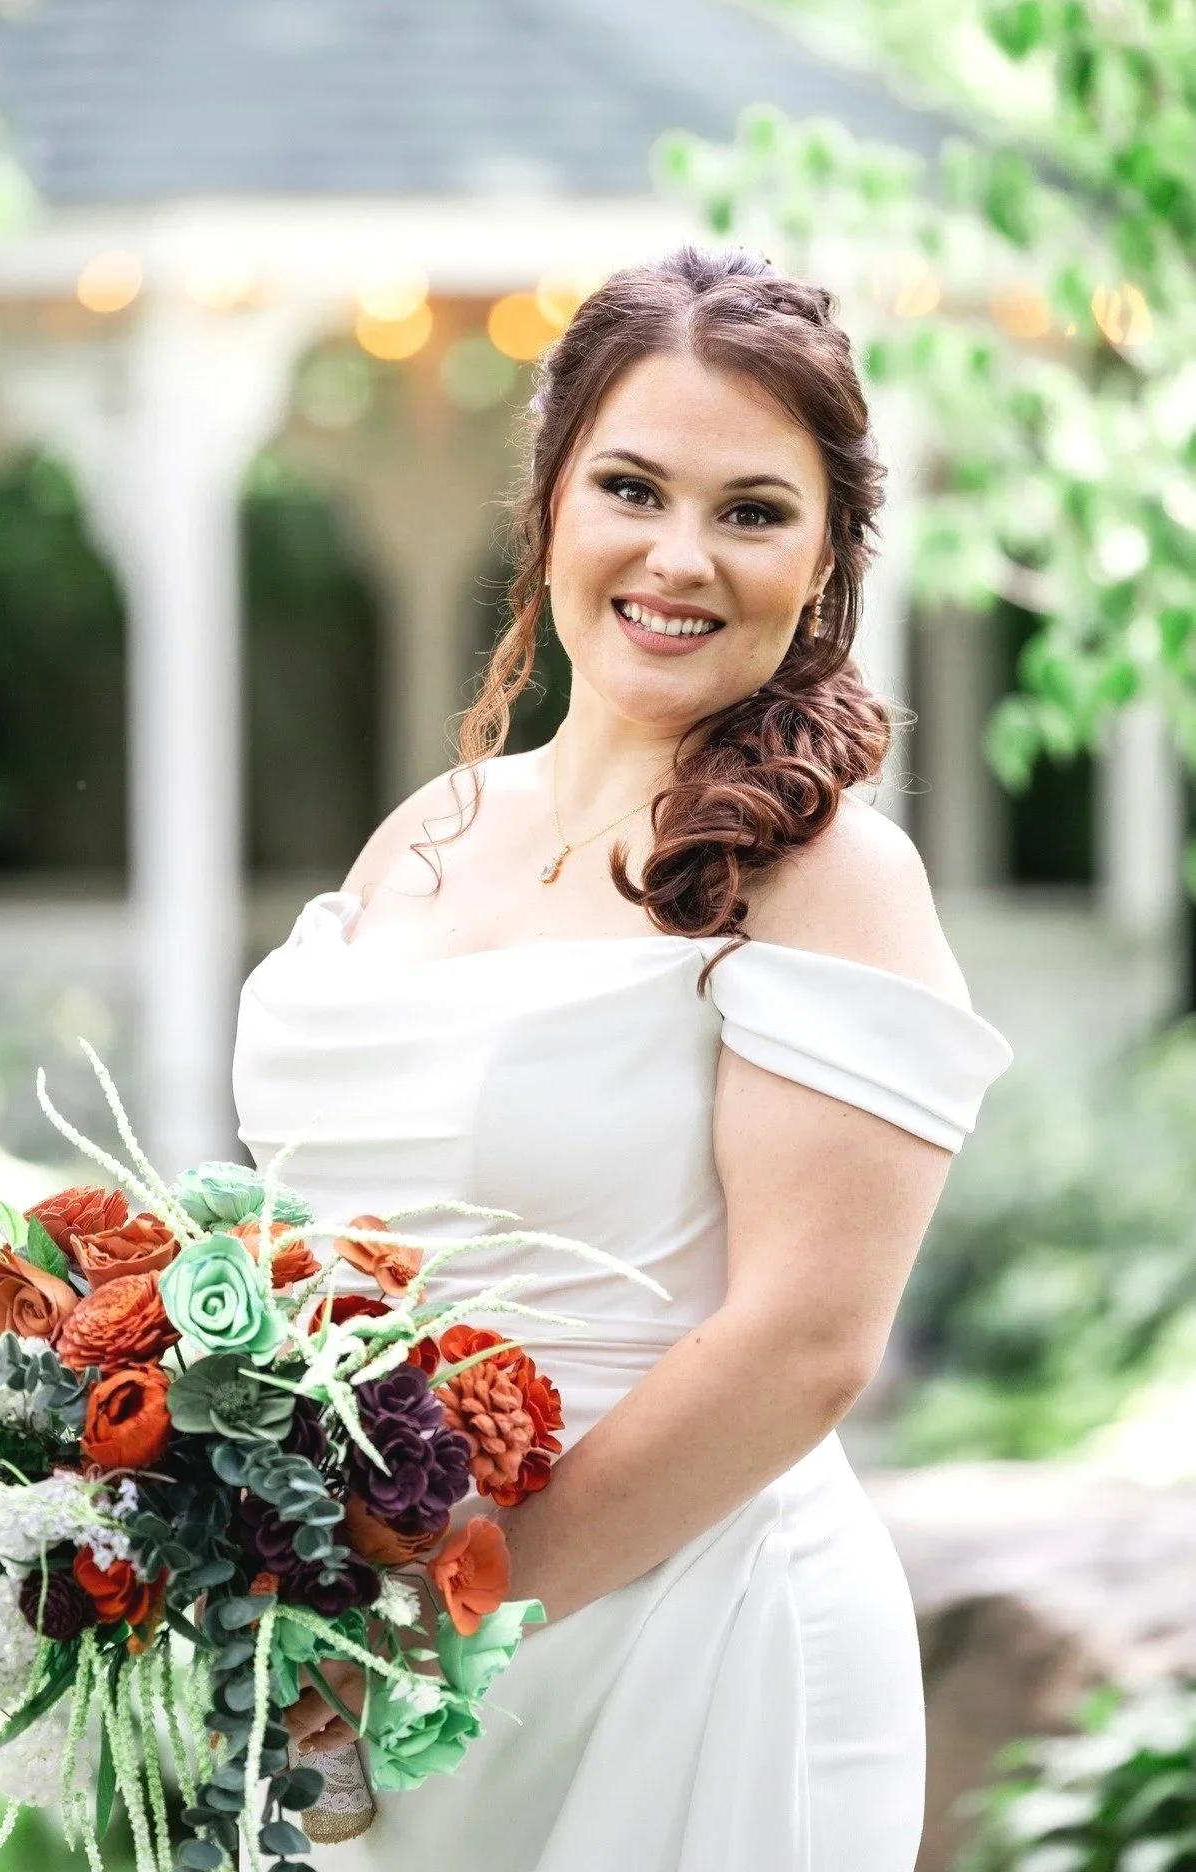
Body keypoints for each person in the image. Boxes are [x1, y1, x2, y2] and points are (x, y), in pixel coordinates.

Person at [231, 243, 1013, 1871]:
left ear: (826, 558)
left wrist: (442, 1623)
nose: (680, 557)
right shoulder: (431, 834)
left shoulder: (829, 877)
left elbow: (807, 1344)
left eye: (752, 510)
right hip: (382, 1661)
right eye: (634, 488)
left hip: (687, 1639)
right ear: (552, 503)